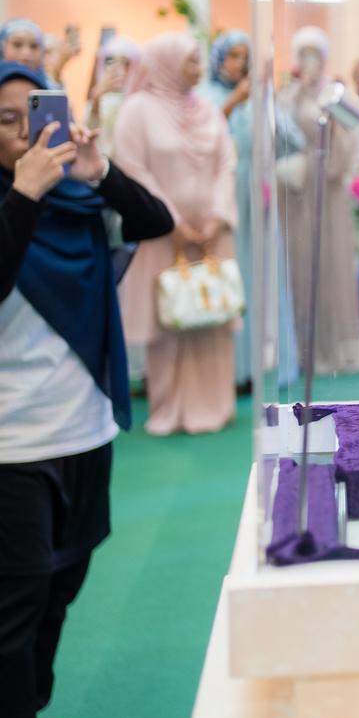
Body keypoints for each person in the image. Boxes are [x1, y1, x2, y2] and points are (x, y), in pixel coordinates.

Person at [0, 60, 173, 718]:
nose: (23, 133)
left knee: (61, 583)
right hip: (3, 438)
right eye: (4, 121)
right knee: (15, 596)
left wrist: (99, 171)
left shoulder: (78, 199)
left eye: (33, 115)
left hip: (81, 426)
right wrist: (25, 194)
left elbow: (155, 220)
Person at [113, 33, 239, 436]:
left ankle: (215, 405)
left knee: (212, 310)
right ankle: (170, 409)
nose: (199, 69)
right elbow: (131, 170)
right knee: (170, 315)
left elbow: (227, 163)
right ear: (166, 63)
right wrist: (171, 223)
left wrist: (217, 216)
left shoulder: (208, 109)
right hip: (164, 234)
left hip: (210, 232)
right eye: (191, 61)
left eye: (199, 60)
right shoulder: (137, 110)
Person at [201, 30, 305, 389]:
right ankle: (233, 369)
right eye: (232, 55)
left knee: (264, 273)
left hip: (257, 192)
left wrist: (267, 101)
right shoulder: (206, 96)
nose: (239, 64)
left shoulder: (259, 94)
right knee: (233, 271)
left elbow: (292, 140)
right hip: (223, 193)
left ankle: (269, 363)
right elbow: (202, 141)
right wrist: (235, 101)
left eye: (245, 56)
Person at [281, 28, 359, 372]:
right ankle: (303, 350)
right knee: (301, 264)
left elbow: (354, 138)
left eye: (315, 53)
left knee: (332, 261)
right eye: (303, 54)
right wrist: (298, 93)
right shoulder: (288, 95)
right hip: (298, 191)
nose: (309, 61)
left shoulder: (338, 92)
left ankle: (333, 346)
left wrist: (331, 159)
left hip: (329, 188)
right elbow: (278, 135)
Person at [84, 36, 139, 161]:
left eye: (127, 63)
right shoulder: (97, 98)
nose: (120, 70)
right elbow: (89, 137)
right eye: (111, 62)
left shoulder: (139, 101)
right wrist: (96, 101)